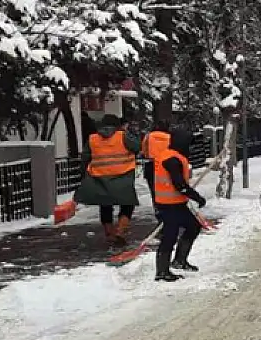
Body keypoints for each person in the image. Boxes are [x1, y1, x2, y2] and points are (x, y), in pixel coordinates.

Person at [74, 114, 140, 247]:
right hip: (123, 177)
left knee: (105, 205)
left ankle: (109, 234)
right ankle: (120, 232)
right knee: (127, 204)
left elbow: (85, 159)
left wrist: (84, 176)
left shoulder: (93, 139)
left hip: (100, 178)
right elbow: (137, 147)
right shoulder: (123, 136)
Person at [152, 127, 207, 282]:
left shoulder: (174, 156)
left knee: (194, 226)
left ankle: (179, 261)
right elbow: (179, 185)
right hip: (168, 206)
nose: (190, 147)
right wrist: (197, 197)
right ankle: (162, 271)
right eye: (189, 144)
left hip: (177, 204)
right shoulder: (171, 159)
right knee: (169, 237)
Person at [141, 120, 171, 204]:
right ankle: (167, 204)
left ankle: (157, 206)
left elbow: (143, 151)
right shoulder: (170, 137)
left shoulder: (148, 136)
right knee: (166, 188)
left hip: (151, 164)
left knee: (153, 189)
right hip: (166, 164)